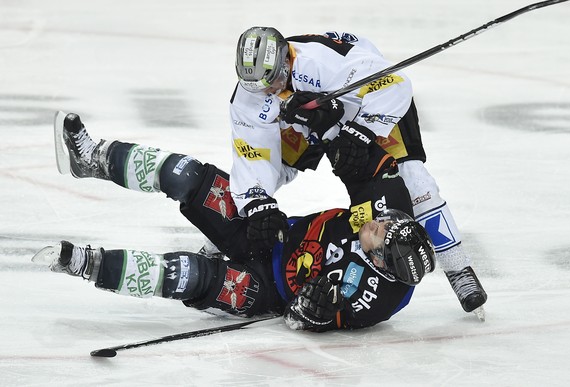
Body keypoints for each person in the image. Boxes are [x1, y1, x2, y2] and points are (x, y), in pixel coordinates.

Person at [33, 112, 435, 332]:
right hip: (272, 232)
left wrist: (310, 312)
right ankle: (93, 159)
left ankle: (86, 265)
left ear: (380, 261)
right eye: (386, 220)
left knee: (186, 276)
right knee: (187, 176)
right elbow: (365, 164)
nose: (378, 221)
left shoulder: (378, 299)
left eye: (380, 232)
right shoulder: (390, 211)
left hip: (267, 291)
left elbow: (301, 318)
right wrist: (341, 137)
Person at [229, 26, 487, 315]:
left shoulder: (323, 62)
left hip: (368, 108)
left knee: (414, 179)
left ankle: (458, 269)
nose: (269, 91)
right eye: (258, 87)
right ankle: (218, 238)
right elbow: (253, 154)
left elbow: (395, 84)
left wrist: (360, 132)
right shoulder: (251, 92)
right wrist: (256, 205)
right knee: (264, 181)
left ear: (285, 59)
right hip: (310, 117)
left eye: (273, 80)